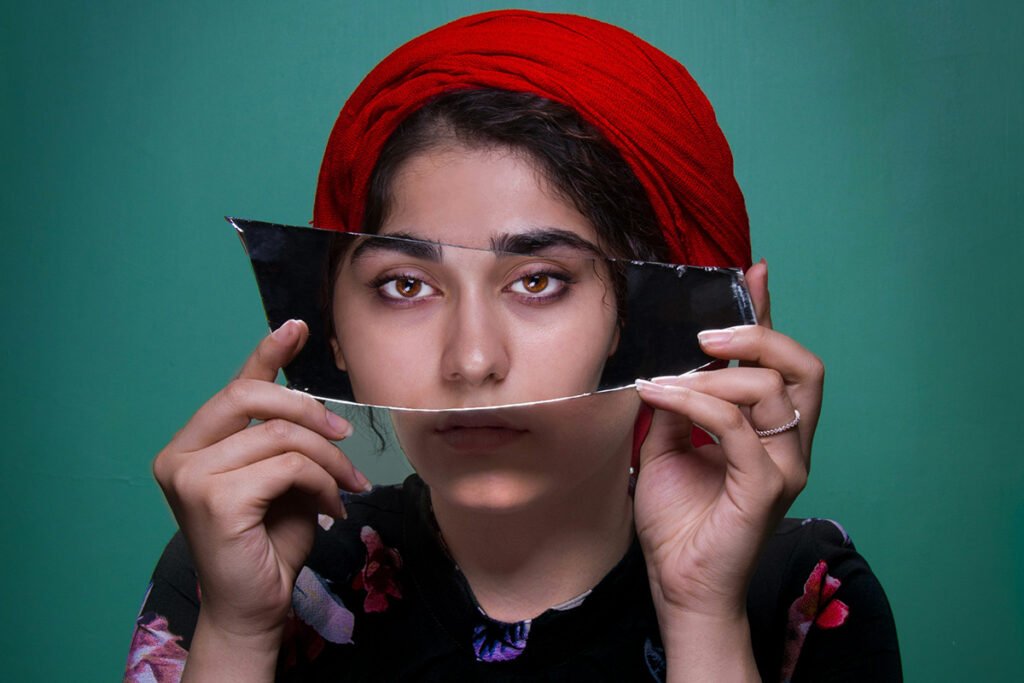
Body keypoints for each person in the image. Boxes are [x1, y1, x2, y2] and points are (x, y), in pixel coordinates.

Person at [124, 10, 901, 682]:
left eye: (538, 281)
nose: (470, 361)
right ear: (334, 326)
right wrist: (239, 631)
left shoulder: (803, 590)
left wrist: (703, 614)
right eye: (404, 284)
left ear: (651, 319)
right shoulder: (240, 564)